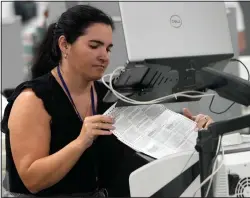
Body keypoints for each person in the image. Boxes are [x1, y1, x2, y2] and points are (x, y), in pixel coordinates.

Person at [1, 5, 213, 197]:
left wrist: (190, 128)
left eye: (108, 48)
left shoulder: (110, 94)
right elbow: (32, 180)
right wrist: (81, 142)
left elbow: (152, 133)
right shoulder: (32, 99)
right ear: (64, 45)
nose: (104, 56)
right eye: (94, 46)